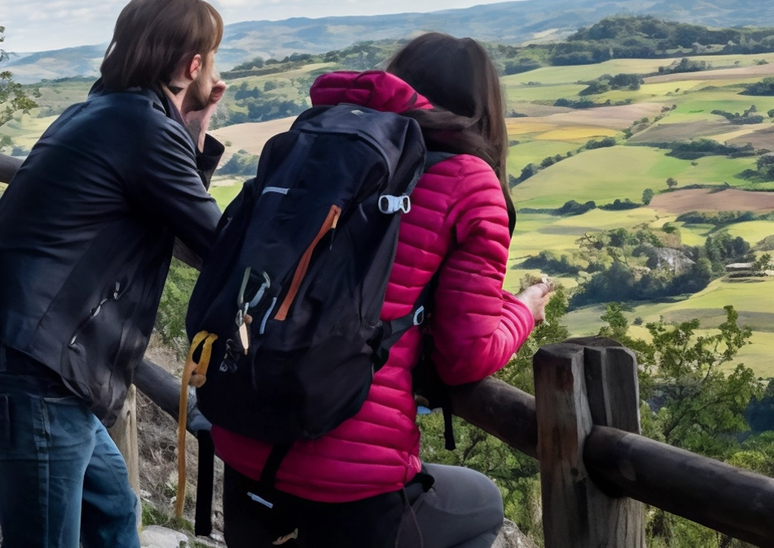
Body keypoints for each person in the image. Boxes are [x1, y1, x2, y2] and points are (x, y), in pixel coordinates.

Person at [211, 33, 552, 547]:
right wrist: (522, 310)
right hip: (349, 478)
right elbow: (466, 354)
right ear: (484, 109)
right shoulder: (468, 181)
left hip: (245, 437)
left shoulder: (319, 149)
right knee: (482, 505)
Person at [0, 0, 229, 548]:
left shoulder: (100, 110)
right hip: (32, 370)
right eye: (211, 59)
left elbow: (173, 205)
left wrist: (193, 123)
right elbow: (218, 241)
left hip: (18, 355)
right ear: (193, 65)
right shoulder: (142, 128)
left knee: (114, 513)